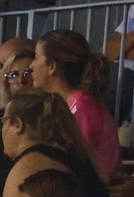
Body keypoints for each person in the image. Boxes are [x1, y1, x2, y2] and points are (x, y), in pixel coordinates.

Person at [0, 89, 119, 197]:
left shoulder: (30, 164)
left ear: (17, 124)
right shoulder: (72, 155)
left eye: (3, 121)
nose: (1, 129)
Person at [32, 30, 119, 181]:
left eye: (36, 58)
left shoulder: (83, 108)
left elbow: (75, 163)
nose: (31, 65)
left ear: (52, 66)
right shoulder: (66, 104)